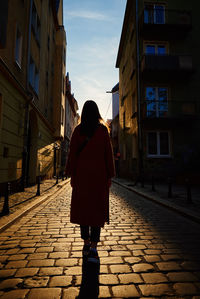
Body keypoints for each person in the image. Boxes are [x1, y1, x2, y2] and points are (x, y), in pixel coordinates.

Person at [65, 100, 115, 263]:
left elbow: (72, 154)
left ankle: (86, 243)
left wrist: (70, 173)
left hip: (81, 178)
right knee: (96, 212)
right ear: (97, 112)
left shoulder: (78, 131)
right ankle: (93, 247)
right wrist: (110, 175)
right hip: (99, 178)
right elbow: (108, 154)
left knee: (83, 211)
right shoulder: (103, 131)